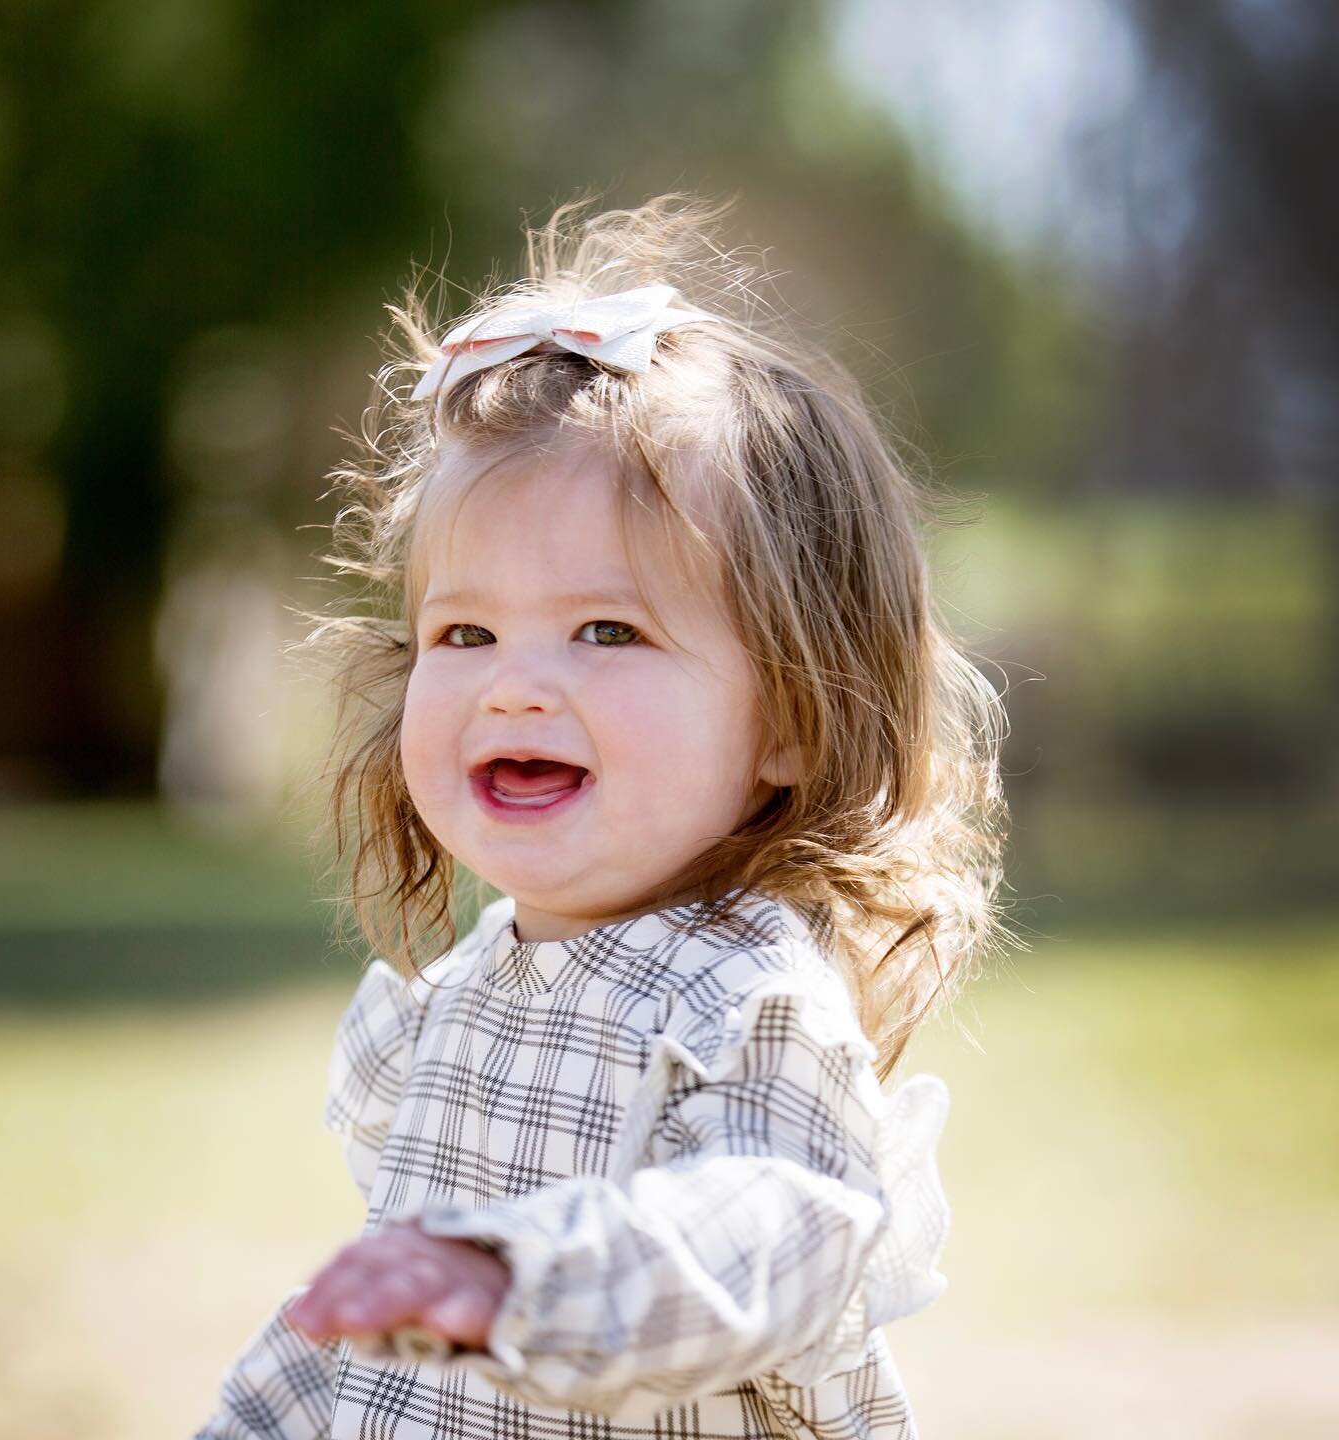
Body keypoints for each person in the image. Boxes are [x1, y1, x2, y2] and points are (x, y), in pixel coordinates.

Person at [192, 194, 1006, 1440]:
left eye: (607, 631)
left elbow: (770, 1235)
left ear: (790, 719)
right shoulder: (470, 994)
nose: (514, 681)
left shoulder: (749, 1003)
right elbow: (375, 1350)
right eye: (464, 631)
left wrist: (520, 1278)